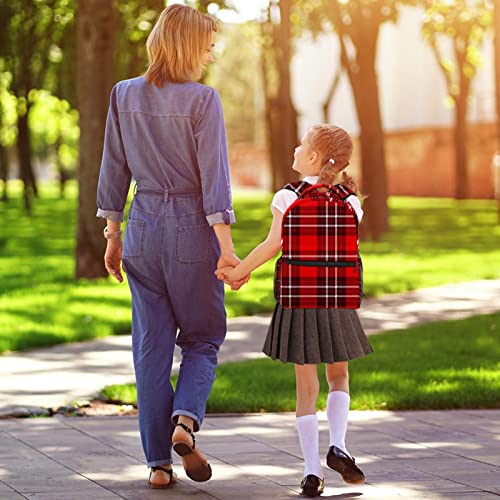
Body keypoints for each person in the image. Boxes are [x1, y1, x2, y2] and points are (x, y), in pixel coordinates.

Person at [96, 4, 247, 490]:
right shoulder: (203, 100)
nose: (210, 52)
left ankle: (158, 464)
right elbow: (214, 182)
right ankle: (185, 422)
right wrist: (226, 249)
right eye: (206, 44)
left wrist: (113, 235)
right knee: (203, 338)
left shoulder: (123, 94)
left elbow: (113, 170)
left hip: (140, 228)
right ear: (186, 45)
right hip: (191, 230)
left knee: (151, 348)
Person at [216, 124, 373, 497]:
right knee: (339, 378)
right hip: (337, 300)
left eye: (301, 144)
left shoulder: (287, 198)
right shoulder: (351, 203)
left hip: (299, 300)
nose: (295, 148)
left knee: (306, 388)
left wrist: (238, 272)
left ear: (314, 158)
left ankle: (311, 471)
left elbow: (273, 245)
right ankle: (340, 445)